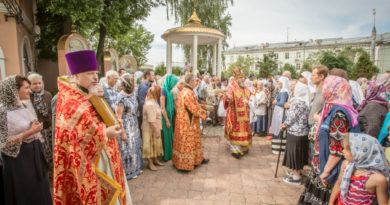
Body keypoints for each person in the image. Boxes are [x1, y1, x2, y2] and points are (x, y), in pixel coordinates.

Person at [54, 50, 130, 204]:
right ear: (76, 76)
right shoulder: (69, 100)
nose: (96, 77)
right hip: (92, 160)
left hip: (103, 152)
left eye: (96, 73)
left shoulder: (87, 92)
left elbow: (97, 118)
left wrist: (113, 122)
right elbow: (74, 136)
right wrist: (104, 132)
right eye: (89, 73)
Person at [299, 75, 360, 205]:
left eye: (327, 87)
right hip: (322, 166)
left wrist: (326, 172)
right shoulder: (335, 108)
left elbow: (338, 149)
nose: (324, 89)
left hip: (328, 172)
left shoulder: (339, 113)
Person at [0, 75, 52, 205]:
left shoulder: (23, 105)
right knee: (25, 192)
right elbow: (3, 141)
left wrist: (33, 126)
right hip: (19, 160)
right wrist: (30, 132)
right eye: (26, 87)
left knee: (39, 190)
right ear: (13, 90)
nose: (30, 91)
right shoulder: (2, 111)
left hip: (33, 154)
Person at [329, 133, 389, 205]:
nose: (343, 151)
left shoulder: (377, 179)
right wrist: (331, 202)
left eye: (346, 149)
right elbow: (338, 184)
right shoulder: (346, 165)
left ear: (359, 153)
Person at [172, 74, 208, 171]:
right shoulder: (188, 92)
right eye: (195, 81)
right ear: (191, 82)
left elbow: (193, 104)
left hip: (185, 120)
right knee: (188, 142)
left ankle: (196, 160)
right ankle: (185, 164)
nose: (196, 82)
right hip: (188, 122)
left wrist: (201, 106)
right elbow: (194, 109)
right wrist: (205, 113)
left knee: (191, 141)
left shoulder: (184, 91)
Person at [280, 82, 310, 185]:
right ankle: (296, 173)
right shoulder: (305, 102)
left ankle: (296, 177)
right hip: (302, 132)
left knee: (295, 155)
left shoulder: (298, 103)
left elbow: (291, 118)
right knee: (297, 154)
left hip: (296, 132)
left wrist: (284, 124)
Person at [27, 73, 54, 182]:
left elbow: (51, 111)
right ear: (29, 85)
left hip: (49, 128)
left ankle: (53, 173)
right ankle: (45, 175)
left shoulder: (47, 95)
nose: (38, 86)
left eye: (39, 83)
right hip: (37, 130)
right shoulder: (28, 96)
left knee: (52, 150)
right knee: (43, 152)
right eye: (34, 84)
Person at [115, 76, 143, 179]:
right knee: (127, 149)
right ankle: (127, 173)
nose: (134, 86)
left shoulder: (133, 94)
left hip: (134, 125)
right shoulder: (121, 98)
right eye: (133, 84)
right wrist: (122, 133)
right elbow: (118, 117)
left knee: (135, 148)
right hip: (126, 127)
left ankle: (135, 170)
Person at [223, 68, 252, 159]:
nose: (243, 79)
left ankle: (243, 147)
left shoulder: (246, 88)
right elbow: (228, 99)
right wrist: (228, 98)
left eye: (243, 77)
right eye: (240, 78)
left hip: (245, 115)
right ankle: (235, 149)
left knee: (244, 130)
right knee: (235, 130)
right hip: (235, 115)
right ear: (236, 79)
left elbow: (251, 97)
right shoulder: (231, 88)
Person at [142, 85, 164, 171]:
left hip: (154, 128)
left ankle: (155, 160)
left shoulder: (154, 101)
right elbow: (151, 120)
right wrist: (157, 131)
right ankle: (150, 163)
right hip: (149, 129)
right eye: (159, 93)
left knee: (155, 145)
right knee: (149, 146)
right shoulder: (150, 104)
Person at [161, 75, 179, 161]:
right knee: (166, 137)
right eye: (174, 83)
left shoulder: (169, 90)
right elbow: (162, 108)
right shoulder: (163, 91)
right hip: (165, 117)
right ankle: (166, 156)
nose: (174, 85)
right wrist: (167, 121)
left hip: (170, 115)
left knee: (170, 136)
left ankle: (170, 154)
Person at [269, 76, 289, 154]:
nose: (278, 84)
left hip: (281, 112)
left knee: (280, 125)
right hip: (278, 111)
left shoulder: (284, 92)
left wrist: (275, 102)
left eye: (279, 82)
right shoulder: (282, 91)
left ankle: (279, 143)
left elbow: (282, 103)